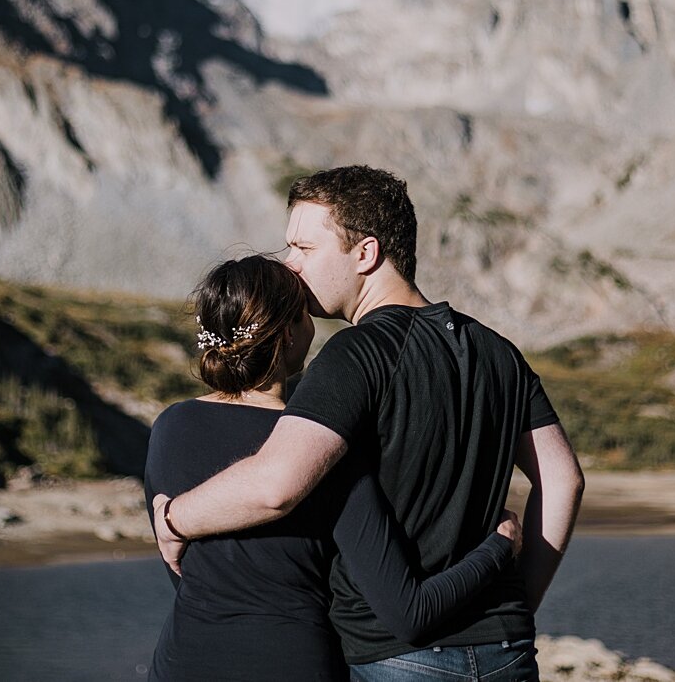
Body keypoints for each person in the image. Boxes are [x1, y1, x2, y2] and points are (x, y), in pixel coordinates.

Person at [153, 165, 585, 681]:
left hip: (395, 655)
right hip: (507, 650)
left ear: (366, 253)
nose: (290, 267)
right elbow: (563, 480)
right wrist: (517, 605)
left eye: (304, 249)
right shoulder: (498, 353)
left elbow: (276, 485)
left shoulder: (355, 354)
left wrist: (176, 518)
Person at [145, 254, 524, 682]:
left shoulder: (169, 427)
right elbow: (409, 612)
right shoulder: (322, 448)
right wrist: (499, 547)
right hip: (295, 663)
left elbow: (183, 572)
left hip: (181, 662)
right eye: (306, 315)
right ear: (289, 333)